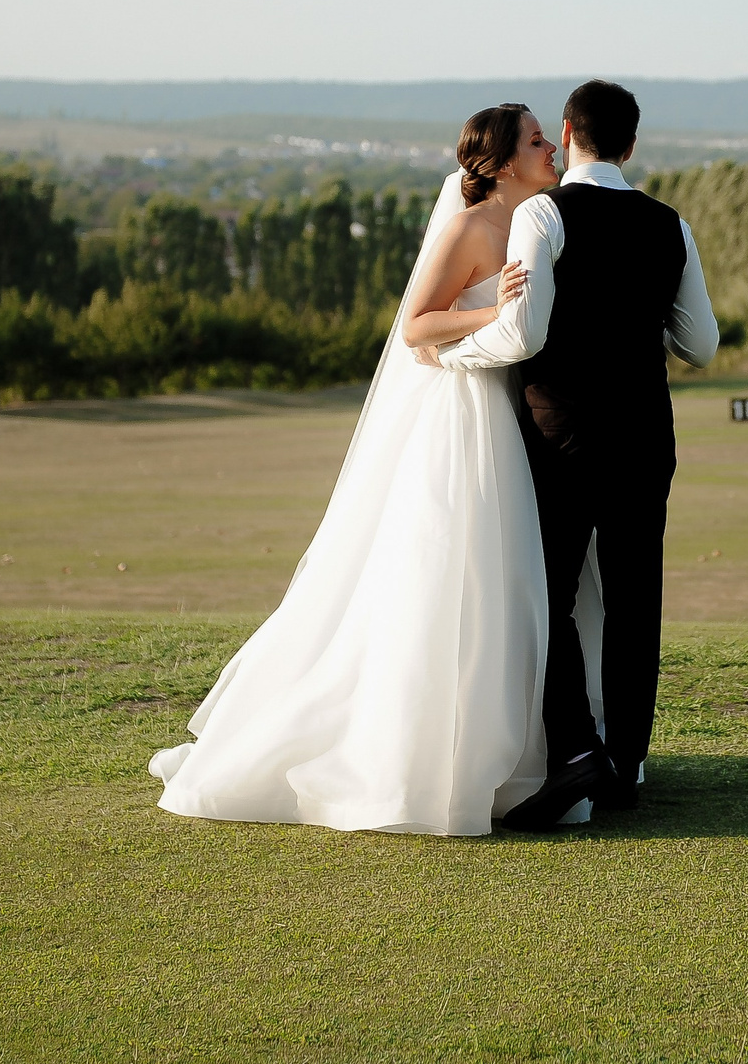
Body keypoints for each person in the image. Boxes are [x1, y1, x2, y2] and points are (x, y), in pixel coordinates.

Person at [145, 104, 565, 836]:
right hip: (459, 414)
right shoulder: (469, 228)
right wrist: (488, 312)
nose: (550, 148)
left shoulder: (536, 220)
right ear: (499, 162)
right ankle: (411, 760)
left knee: (504, 578)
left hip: (502, 411)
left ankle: (497, 757)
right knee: (446, 571)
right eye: (535, 141)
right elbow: (416, 326)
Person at [435, 79, 717, 829]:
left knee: (550, 593)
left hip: (559, 436)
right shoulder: (671, 224)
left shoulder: (543, 212)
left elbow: (524, 335)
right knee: (633, 601)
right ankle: (625, 763)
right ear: (631, 144)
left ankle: (577, 750)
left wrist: (457, 357)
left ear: (567, 134)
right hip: (647, 439)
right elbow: (703, 344)